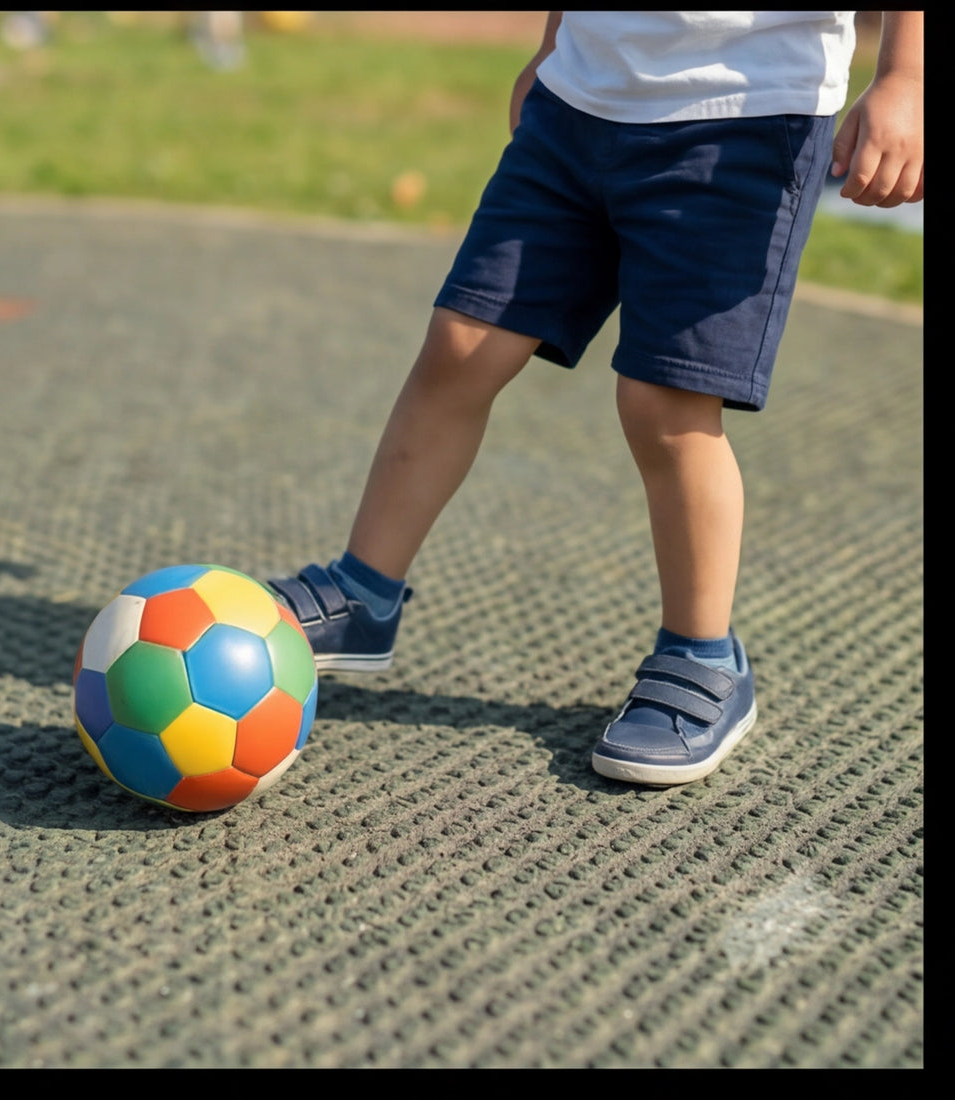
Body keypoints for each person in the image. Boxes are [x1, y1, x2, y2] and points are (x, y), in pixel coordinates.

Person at [267, 11, 924, 786]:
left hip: (746, 119)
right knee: (461, 346)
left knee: (665, 404)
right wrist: (553, 45)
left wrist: (904, 76)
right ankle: (363, 591)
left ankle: (702, 654)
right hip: (578, 99)